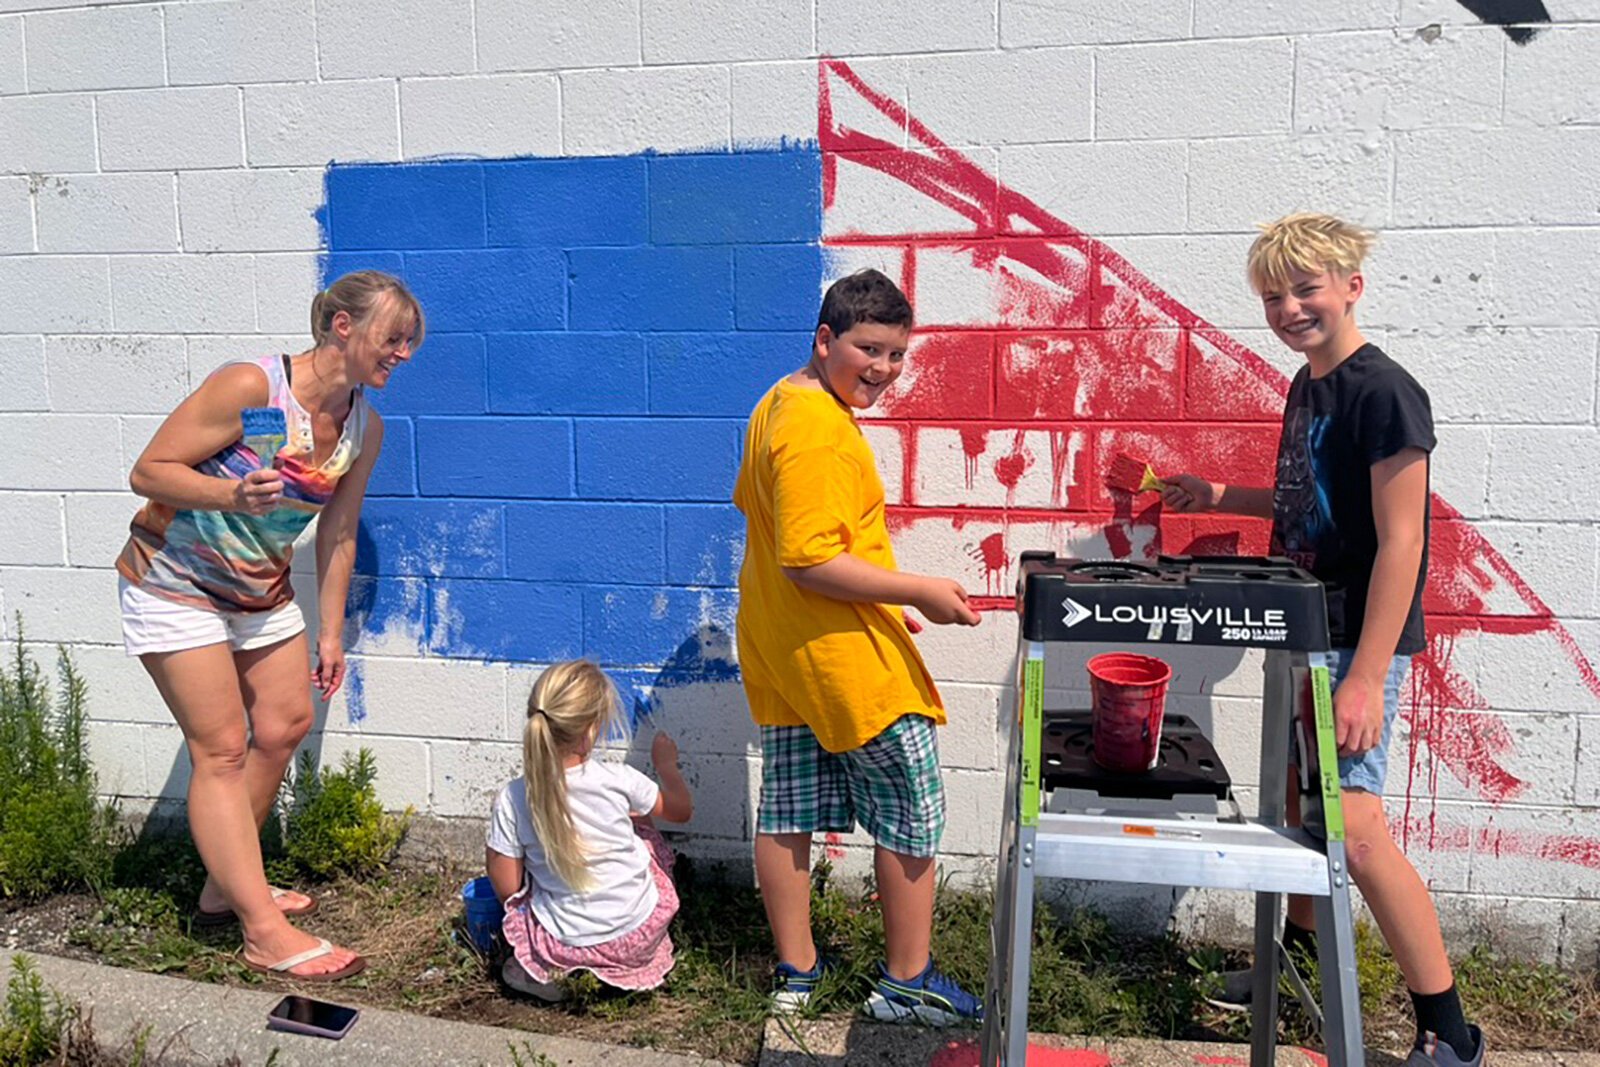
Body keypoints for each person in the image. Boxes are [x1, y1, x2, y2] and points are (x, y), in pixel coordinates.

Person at [1161, 213, 1482, 1066]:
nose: (1290, 307)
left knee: (1361, 831)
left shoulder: (1385, 393)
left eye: (1306, 289)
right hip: (1309, 631)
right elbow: (1309, 506)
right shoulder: (1308, 385)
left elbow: (1403, 541)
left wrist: (1367, 676)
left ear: (1351, 286)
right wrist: (1217, 494)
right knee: (1308, 809)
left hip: (1353, 643)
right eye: (1274, 295)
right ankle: (1297, 961)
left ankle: (1451, 1032)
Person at [116, 269, 423, 981]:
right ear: (342, 327)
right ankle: (262, 930)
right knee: (221, 748)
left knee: (283, 724)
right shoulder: (253, 387)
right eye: (393, 336)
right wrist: (229, 491)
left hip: (259, 593)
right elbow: (149, 470)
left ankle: (227, 883)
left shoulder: (362, 425)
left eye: (411, 341)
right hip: (175, 585)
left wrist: (331, 631)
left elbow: (338, 531)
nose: (403, 353)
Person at [733, 268, 984, 1024]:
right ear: (824, 338)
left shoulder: (782, 400)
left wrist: (878, 595)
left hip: (785, 649)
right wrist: (919, 591)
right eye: (867, 348)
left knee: (788, 807)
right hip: (842, 662)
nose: (882, 368)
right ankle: (908, 981)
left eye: (897, 353)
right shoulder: (814, 430)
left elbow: (784, 535)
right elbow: (807, 558)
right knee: (912, 807)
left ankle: (798, 971)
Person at [486, 660, 693, 1000]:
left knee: (527, 886)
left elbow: (508, 890)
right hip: (637, 936)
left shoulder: (512, 798)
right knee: (644, 832)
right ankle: (631, 967)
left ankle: (555, 977)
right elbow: (681, 811)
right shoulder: (620, 780)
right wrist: (666, 767)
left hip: (561, 945)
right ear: (591, 729)